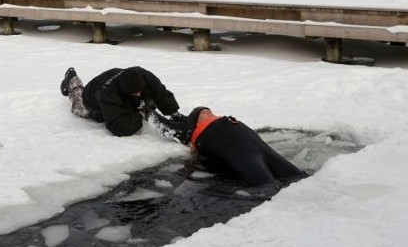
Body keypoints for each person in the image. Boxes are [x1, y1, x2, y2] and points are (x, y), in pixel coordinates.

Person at [148, 106, 307, 188]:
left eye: (210, 112)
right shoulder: (191, 132)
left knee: (298, 176)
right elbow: (164, 126)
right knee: (266, 185)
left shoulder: (223, 120)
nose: (209, 113)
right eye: (204, 113)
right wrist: (146, 111)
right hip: (244, 155)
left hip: (262, 149)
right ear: (195, 122)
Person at [60, 66, 183, 137]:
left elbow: (160, 92)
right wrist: (141, 114)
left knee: (143, 102)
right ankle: (71, 79)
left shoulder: (142, 75)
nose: (139, 95)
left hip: (115, 79)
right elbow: (119, 127)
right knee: (80, 107)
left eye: (140, 92)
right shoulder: (108, 93)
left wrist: (173, 112)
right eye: (136, 94)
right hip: (91, 97)